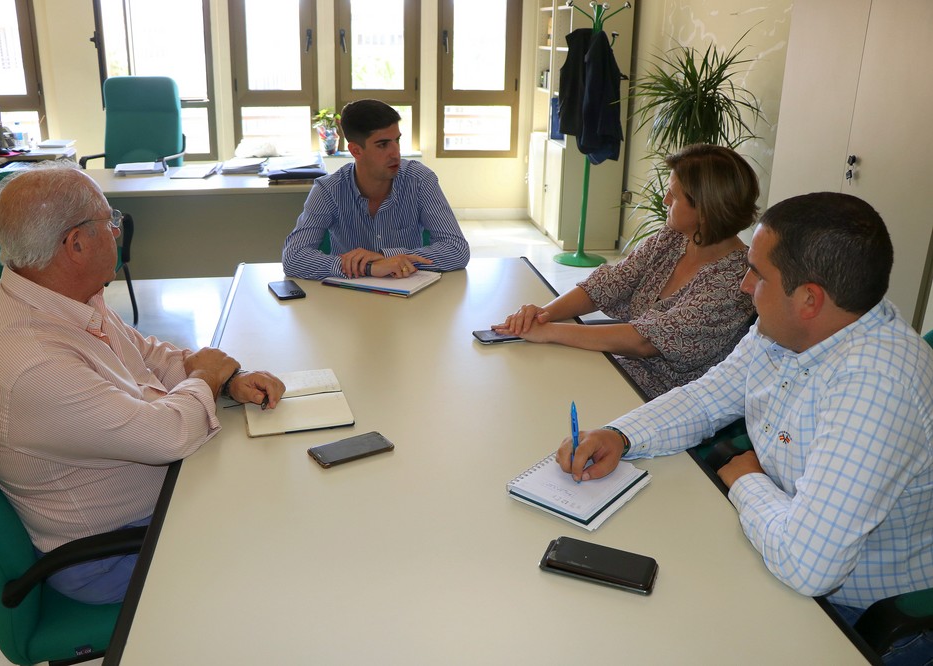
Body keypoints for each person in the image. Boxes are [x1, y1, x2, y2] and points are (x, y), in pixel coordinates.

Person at [559, 192, 933, 657]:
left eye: (757, 273)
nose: (743, 285)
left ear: (809, 299)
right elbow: (707, 397)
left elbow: (808, 565)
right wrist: (619, 434)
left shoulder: (877, 384)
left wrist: (745, 479)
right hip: (774, 540)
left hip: (845, 613)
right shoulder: (791, 327)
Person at [0, 162, 286, 604]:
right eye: (109, 221)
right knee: (284, 545)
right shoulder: (32, 363)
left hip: (156, 503)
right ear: (75, 244)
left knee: (277, 484)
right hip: (110, 554)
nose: (116, 232)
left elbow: (146, 355)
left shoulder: (55, 294)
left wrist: (228, 381)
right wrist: (205, 375)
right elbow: (169, 436)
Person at [494, 144, 759, 398]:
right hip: (621, 369)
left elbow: (645, 342)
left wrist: (549, 332)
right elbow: (609, 284)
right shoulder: (672, 238)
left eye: (674, 195)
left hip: (664, 397)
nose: (665, 200)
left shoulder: (734, 281)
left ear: (705, 211)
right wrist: (542, 315)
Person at [281, 99, 470, 280]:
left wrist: (386, 257)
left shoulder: (419, 180)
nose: (395, 153)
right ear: (356, 151)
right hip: (349, 297)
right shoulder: (329, 190)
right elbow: (293, 257)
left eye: (397, 140)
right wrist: (369, 267)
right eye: (383, 145)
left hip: (409, 292)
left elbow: (457, 249)